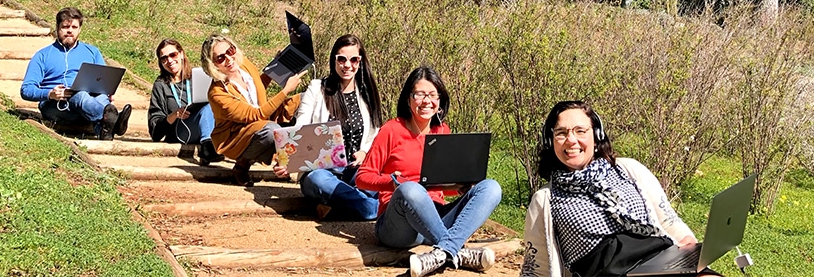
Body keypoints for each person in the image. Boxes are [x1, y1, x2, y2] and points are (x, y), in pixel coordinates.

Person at [520, 101, 697, 277]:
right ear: (550, 142)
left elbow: (667, 219)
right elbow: (536, 268)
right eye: (561, 133)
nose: (571, 140)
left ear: (596, 135)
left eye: (580, 131)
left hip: (659, 260)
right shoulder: (545, 199)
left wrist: (686, 241)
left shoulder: (629, 169)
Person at [357, 66, 501, 277]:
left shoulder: (442, 131)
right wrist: (393, 183)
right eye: (420, 94)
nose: (427, 101)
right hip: (399, 225)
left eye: (433, 95)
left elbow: (438, 184)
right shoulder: (392, 129)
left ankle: (443, 252)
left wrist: (461, 186)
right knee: (411, 190)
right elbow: (362, 178)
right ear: (409, 99)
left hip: (436, 217)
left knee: (491, 187)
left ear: (440, 101)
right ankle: (459, 252)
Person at [289, 34, 382, 220]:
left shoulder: (367, 93)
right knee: (318, 181)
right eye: (342, 59)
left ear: (361, 62)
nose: (347, 65)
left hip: (355, 170)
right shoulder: (318, 88)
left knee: (379, 182)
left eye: (354, 59)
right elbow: (300, 128)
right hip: (321, 169)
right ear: (334, 60)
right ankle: (372, 208)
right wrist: (292, 159)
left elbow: (375, 135)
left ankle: (338, 206)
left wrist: (364, 153)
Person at [201, 33, 302, 187]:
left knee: (305, 98)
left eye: (230, 51)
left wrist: (277, 65)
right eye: (220, 58)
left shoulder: (244, 65)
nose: (229, 59)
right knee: (271, 131)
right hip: (238, 136)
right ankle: (242, 165)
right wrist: (286, 90)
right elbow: (255, 115)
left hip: (262, 119)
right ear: (212, 64)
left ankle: (307, 154)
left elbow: (257, 86)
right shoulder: (217, 93)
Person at [20, 7, 132, 141]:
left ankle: (105, 131)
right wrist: (50, 94)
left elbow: (103, 78)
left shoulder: (92, 52)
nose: (69, 31)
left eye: (74, 27)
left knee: (101, 97)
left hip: (87, 104)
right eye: (65, 27)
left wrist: (107, 90)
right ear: (57, 28)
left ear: (80, 29)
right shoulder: (42, 55)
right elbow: (26, 90)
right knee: (80, 95)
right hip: (57, 107)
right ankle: (115, 120)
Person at [148, 38, 224, 166]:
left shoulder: (199, 77)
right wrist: (174, 115)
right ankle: (207, 146)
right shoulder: (161, 85)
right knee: (206, 108)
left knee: (208, 106)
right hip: (178, 132)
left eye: (173, 55)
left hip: (203, 124)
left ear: (181, 54)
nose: (169, 61)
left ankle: (208, 144)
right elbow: (155, 132)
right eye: (164, 58)